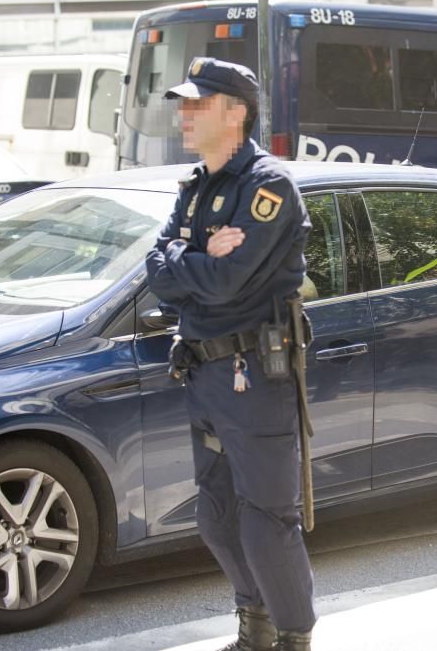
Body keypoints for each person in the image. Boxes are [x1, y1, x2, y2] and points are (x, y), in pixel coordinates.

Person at [144, 57, 316, 651]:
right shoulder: (197, 187)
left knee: (267, 519)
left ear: (235, 113)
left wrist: (185, 260)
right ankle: (255, 628)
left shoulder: (267, 187)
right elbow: (154, 271)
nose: (185, 114)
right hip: (202, 370)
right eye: (184, 103)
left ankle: (294, 637)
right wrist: (195, 254)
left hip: (254, 377)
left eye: (199, 103)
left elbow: (225, 283)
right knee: (216, 518)